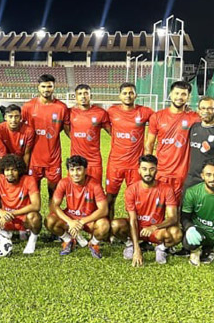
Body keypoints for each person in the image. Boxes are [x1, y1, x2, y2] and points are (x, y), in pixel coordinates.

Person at [111, 155, 181, 266]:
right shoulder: (131, 190)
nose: (148, 173)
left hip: (156, 232)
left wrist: (154, 227)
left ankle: (161, 248)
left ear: (156, 170)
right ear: (139, 170)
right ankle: (130, 245)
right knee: (114, 225)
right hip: (136, 229)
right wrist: (136, 249)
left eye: (151, 169)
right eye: (144, 169)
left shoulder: (167, 189)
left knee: (177, 233)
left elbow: (173, 218)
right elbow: (133, 220)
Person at [145, 81, 200, 203]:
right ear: (170, 94)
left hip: (183, 173)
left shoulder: (195, 117)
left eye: (183, 94)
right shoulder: (157, 116)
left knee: (179, 206)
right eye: (177, 93)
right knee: (158, 205)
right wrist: (148, 166)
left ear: (189, 97)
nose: (179, 97)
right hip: (161, 171)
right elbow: (149, 143)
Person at [45, 155, 109, 259]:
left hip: (88, 220)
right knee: (49, 221)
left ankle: (93, 243)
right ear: (68, 171)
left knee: (104, 225)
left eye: (79, 169)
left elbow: (104, 210)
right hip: (71, 217)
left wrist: (82, 222)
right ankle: (68, 240)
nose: (75, 173)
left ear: (86, 170)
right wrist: (70, 221)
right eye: (72, 170)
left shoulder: (94, 184)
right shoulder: (64, 182)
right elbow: (54, 205)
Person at [106, 82, 154, 219]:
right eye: (125, 93)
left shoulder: (145, 112)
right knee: (110, 198)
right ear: (120, 95)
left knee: (135, 200)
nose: (128, 95)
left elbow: (161, 119)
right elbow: (101, 122)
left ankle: (136, 228)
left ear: (136, 95)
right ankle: (108, 228)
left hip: (135, 165)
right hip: (115, 163)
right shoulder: (111, 111)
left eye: (131, 93)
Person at [0, 154, 41, 254]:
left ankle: (32, 241)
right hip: (5, 218)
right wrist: (0, 212)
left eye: (14, 170)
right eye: (7, 170)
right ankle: (5, 233)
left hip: (22, 218)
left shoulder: (29, 180)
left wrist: (11, 214)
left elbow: (36, 205)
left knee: (35, 217)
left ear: (19, 171)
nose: (10, 173)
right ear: (3, 170)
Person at [21, 74, 70, 200]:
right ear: (38, 87)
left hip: (53, 159)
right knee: (33, 194)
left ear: (54, 87)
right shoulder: (28, 106)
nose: (46, 89)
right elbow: (20, 129)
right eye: (43, 86)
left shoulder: (61, 107)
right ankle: (34, 213)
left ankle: (52, 212)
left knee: (53, 194)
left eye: (49, 86)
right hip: (34, 159)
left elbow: (67, 130)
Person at [69, 84, 110, 183]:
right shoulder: (69, 113)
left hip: (94, 161)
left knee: (95, 188)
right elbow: (66, 129)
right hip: (76, 160)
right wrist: (74, 138)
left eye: (86, 93)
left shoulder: (100, 113)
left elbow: (112, 132)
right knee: (75, 188)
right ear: (75, 96)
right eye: (80, 94)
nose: (83, 96)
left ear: (90, 96)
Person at [181, 159, 214, 266]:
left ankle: (210, 250)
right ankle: (195, 251)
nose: (212, 179)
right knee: (188, 241)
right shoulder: (192, 192)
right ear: (202, 176)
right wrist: (190, 228)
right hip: (201, 232)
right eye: (208, 175)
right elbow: (184, 217)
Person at [184, 96, 214, 189]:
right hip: (192, 178)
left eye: (210, 108)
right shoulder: (194, 127)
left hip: (210, 179)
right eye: (203, 108)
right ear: (198, 110)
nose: (206, 111)